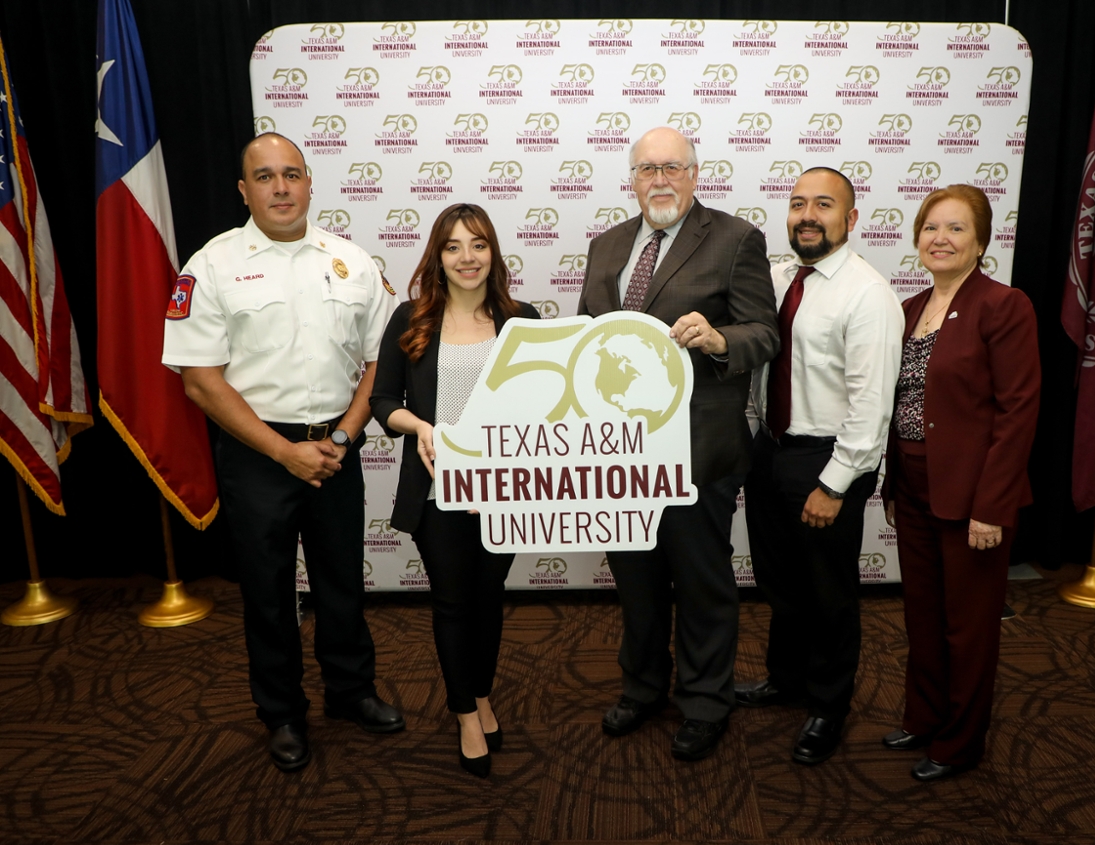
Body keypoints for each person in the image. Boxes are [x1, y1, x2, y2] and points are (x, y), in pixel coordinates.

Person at [161, 133, 403, 773]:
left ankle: (351, 693)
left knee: (341, 583)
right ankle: (283, 714)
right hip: (256, 450)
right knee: (268, 594)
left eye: (291, 174)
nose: (280, 187)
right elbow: (200, 380)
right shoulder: (209, 265)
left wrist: (344, 438)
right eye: (264, 177)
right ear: (244, 191)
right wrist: (282, 451)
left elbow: (383, 359)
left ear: (309, 182)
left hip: (335, 447)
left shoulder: (351, 261)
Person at [577, 126, 779, 761]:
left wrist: (720, 340)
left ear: (696, 173)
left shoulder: (735, 238)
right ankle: (642, 687)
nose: (659, 179)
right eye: (646, 169)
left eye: (672, 167)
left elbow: (765, 334)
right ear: (631, 179)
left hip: (698, 448)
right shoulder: (606, 245)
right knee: (634, 580)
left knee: (700, 582)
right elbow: (588, 340)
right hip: (619, 450)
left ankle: (704, 701)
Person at [736, 167, 904, 764]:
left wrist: (835, 484)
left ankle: (829, 706)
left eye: (824, 205)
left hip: (827, 459)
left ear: (851, 219)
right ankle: (786, 679)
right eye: (797, 203)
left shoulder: (867, 294)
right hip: (772, 451)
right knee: (780, 582)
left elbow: (871, 405)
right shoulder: (780, 279)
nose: (807, 215)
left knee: (829, 593)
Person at [370, 203, 539, 779]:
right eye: (453, 247)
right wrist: (420, 427)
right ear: (437, 258)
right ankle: (465, 712)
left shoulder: (524, 321)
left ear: (494, 252)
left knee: (489, 599)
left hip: (506, 491)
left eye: (478, 244)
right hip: (437, 490)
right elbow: (382, 404)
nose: (467, 258)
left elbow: (546, 407)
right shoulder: (410, 319)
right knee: (452, 601)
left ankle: (482, 693)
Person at [880, 184, 1040, 782]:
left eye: (955, 230)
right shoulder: (908, 307)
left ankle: (959, 742)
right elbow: (900, 403)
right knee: (922, 613)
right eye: (930, 228)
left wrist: (992, 506)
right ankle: (923, 717)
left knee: (967, 627)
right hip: (916, 484)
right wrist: (895, 486)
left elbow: (1018, 411)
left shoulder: (1004, 305)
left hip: (974, 495)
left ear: (981, 242)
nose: (939, 239)